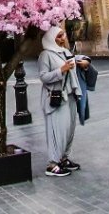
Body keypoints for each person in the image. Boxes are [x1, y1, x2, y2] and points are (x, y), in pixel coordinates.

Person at [37, 25, 83, 178]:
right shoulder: (45, 55)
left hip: (70, 95)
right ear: (51, 38)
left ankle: (63, 158)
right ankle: (52, 164)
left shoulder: (65, 52)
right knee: (57, 130)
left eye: (63, 35)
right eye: (59, 36)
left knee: (69, 130)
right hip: (56, 97)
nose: (63, 38)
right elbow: (43, 77)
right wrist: (61, 70)